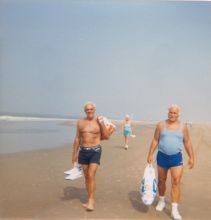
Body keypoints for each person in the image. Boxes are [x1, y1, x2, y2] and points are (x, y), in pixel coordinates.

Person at [147, 104, 194, 220]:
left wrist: (191, 157)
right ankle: (162, 200)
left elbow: (187, 142)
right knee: (161, 180)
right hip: (162, 157)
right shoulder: (160, 125)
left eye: (175, 113)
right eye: (171, 112)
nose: (172, 115)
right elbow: (155, 140)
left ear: (178, 114)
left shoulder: (183, 127)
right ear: (168, 113)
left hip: (176, 158)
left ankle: (174, 209)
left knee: (176, 182)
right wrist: (150, 154)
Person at [72, 101, 112, 211]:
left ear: (94, 110)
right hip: (83, 151)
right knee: (86, 176)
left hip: (95, 150)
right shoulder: (80, 122)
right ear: (85, 111)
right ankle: (90, 198)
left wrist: (102, 123)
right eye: (87, 109)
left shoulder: (99, 121)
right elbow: (77, 138)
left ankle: (90, 200)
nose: (89, 111)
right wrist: (74, 154)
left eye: (91, 109)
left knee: (90, 175)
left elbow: (107, 136)